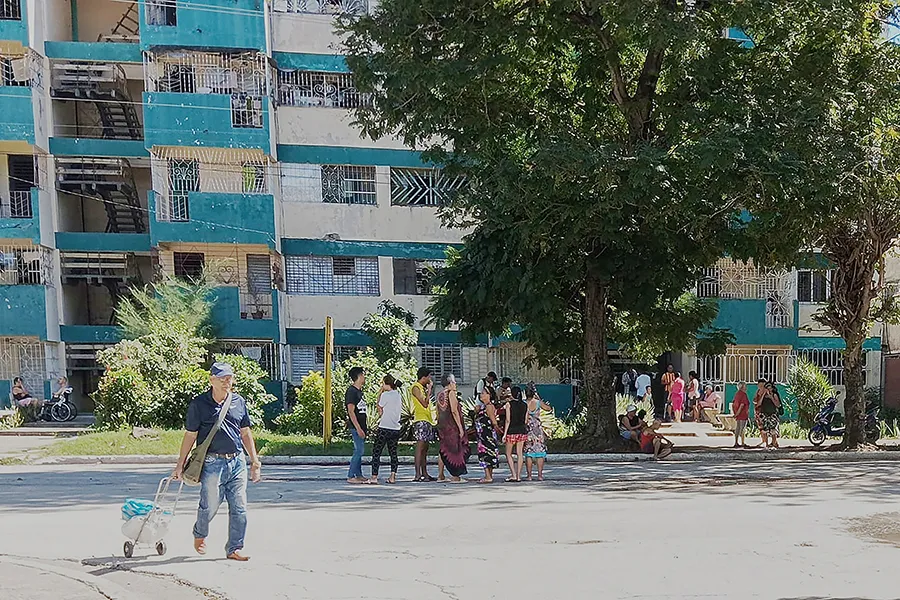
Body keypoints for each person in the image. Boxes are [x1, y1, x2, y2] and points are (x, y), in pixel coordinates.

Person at [173, 362, 261, 561]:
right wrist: (180, 464)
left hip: (237, 461)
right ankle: (200, 533)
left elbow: (245, 433)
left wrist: (254, 461)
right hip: (213, 463)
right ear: (211, 379)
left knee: (240, 507)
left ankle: (235, 548)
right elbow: (190, 435)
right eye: (221, 378)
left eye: (229, 378)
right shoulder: (199, 404)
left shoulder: (238, 402)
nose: (226, 382)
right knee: (209, 505)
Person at [369, 375, 403, 485]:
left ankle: (374, 476)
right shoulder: (398, 394)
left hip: (384, 427)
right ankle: (393, 476)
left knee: (376, 452)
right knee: (393, 452)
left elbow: (379, 408)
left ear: (386, 384)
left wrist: (380, 392)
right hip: (395, 428)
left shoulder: (385, 395)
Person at [436, 373, 469, 483]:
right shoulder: (451, 394)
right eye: (454, 382)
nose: (455, 384)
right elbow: (454, 411)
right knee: (455, 451)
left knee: (443, 450)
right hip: (452, 427)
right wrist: (460, 427)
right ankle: (456, 476)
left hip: (442, 427)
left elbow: (438, 412)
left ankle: (440, 475)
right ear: (450, 383)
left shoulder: (439, 394)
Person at [411, 367, 436, 482]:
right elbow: (424, 403)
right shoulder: (416, 387)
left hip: (427, 419)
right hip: (420, 419)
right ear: (424, 377)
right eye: (429, 376)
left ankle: (425, 473)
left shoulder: (422, 388)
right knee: (420, 447)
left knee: (425, 448)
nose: (430, 379)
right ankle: (417, 474)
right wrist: (430, 390)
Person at [345, 366, 367, 484]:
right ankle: (351, 475)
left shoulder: (359, 391)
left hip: (362, 425)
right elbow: (351, 411)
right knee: (359, 450)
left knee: (360, 450)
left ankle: (358, 474)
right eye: (363, 375)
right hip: (356, 426)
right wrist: (358, 427)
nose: (364, 377)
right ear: (358, 376)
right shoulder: (351, 391)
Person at [475, 383, 501, 483]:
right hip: (482, 435)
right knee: (486, 454)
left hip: (487, 435)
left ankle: (488, 476)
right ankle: (488, 475)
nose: (481, 395)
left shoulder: (489, 407)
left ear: (489, 395)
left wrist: (498, 430)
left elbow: (493, 421)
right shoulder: (482, 407)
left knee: (486, 454)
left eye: (484, 393)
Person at [524, 386, 551, 481]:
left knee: (529, 452)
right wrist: (539, 399)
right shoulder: (538, 403)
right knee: (540, 452)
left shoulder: (524, 404)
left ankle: (529, 475)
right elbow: (548, 409)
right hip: (538, 429)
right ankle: (540, 475)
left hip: (528, 429)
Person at [502, 385, 528, 482]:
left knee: (508, 453)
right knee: (519, 453)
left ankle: (513, 474)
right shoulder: (525, 405)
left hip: (511, 431)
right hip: (522, 431)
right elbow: (525, 420)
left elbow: (508, 420)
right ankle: (518, 476)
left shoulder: (509, 404)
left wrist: (504, 434)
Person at [754, 379, 781, 449]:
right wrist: (763, 395)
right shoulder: (763, 395)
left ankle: (774, 443)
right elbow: (758, 403)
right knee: (764, 430)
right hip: (764, 414)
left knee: (773, 430)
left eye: (770, 387)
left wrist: (771, 397)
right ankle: (766, 444)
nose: (768, 389)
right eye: (767, 387)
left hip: (772, 414)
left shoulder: (774, 395)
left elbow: (778, 405)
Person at [731, 382, 751, 448]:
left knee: (738, 428)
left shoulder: (737, 394)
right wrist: (737, 413)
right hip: (742, 414)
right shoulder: (743, 394)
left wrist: (735, 413)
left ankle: (736, 442)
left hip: (739, 414)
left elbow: (733, 404)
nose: (746, 387)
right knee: (742, 429)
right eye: (745, 386)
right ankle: (742, 442)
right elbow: (742, 405)